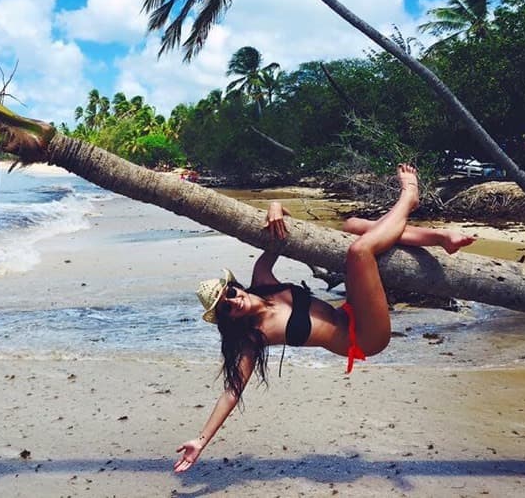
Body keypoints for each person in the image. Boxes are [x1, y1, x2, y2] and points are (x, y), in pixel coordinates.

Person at [174, 164, 475, 473]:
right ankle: (409, 197)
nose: (232, 302)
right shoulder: (253, 337)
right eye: (224, 307)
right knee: (359, 251)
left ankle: (440, 238)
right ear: (225, 320)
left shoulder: (263, 278)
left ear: (236, 286)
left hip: (351, 309)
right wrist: (200, 440)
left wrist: (275, 207)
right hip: (365, 338)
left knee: (353, 226)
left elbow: (284, 229)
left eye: (230, 293)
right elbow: (232, 391)